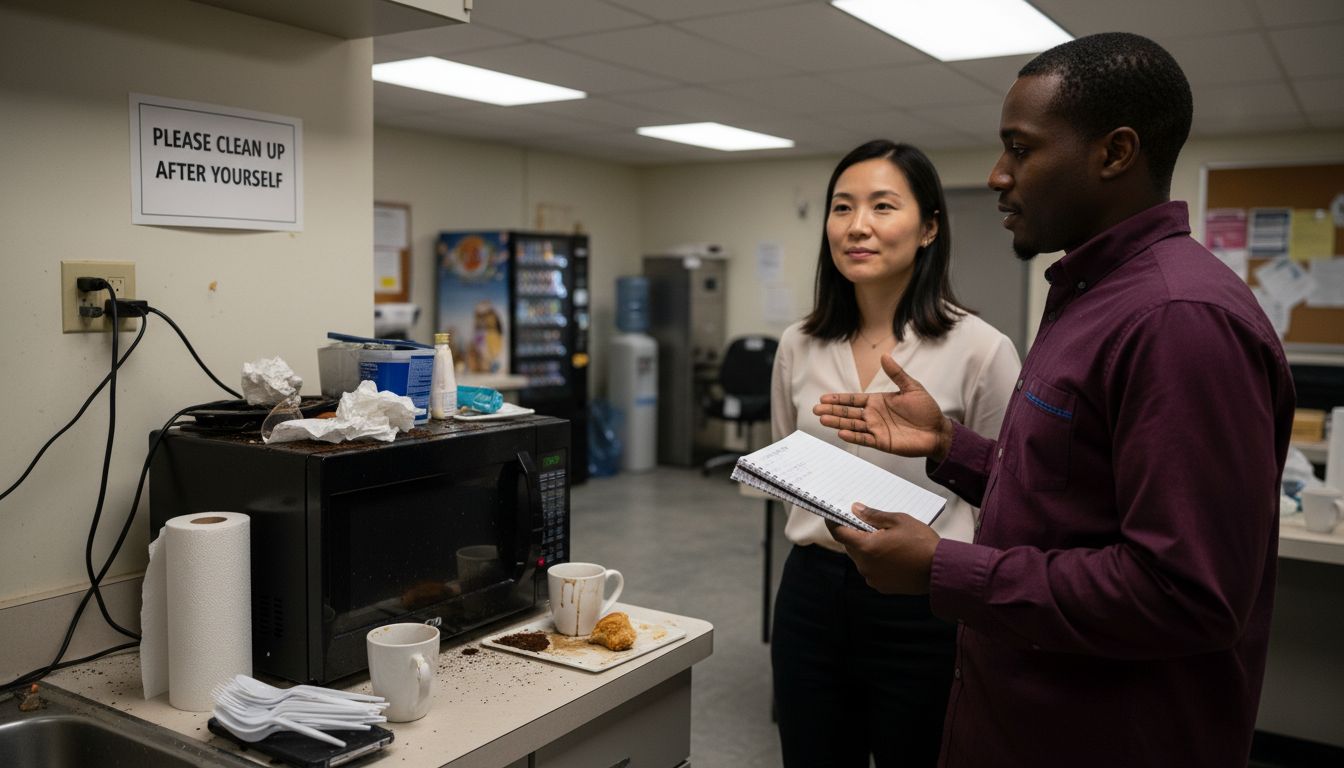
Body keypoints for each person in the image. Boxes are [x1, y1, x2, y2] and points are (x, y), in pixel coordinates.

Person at [813, 33, 1295, 768]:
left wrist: (945, 569)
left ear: (1115, 152)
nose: (998, 175)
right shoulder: (1091, 295)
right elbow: (1072, 497)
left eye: (1021, 148)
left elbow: (1186, 594)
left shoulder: (1178, 319)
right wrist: (950, 445)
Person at [770, 139, 1020, 767]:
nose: (857, 226)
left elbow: (1007, 491)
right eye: (842, 207)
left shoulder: (981, 349)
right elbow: (786, 459)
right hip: (811, 591)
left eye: (883, 206)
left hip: (925, 599)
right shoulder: (798, 344)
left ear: (929, 227)